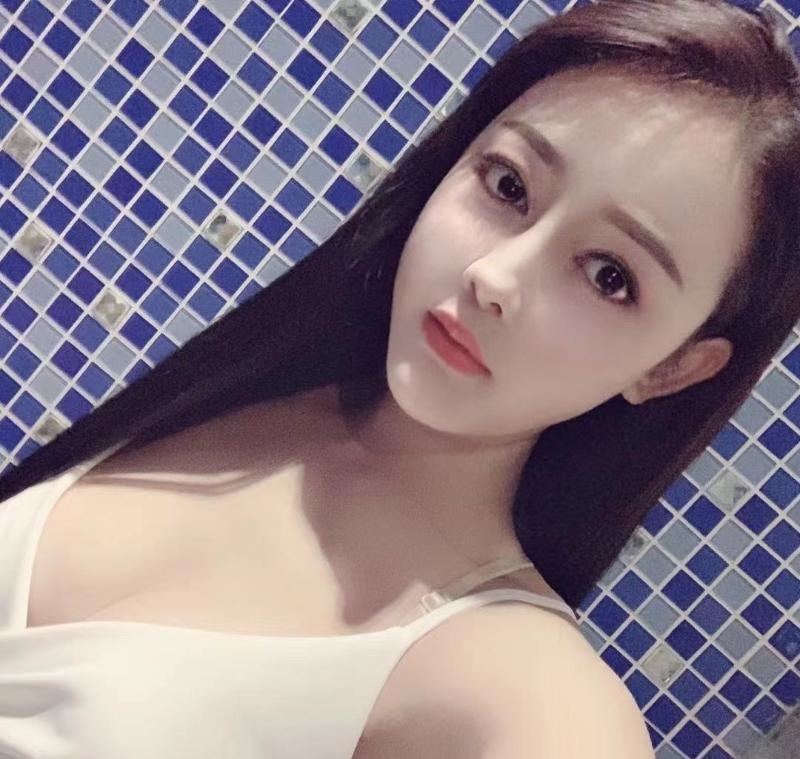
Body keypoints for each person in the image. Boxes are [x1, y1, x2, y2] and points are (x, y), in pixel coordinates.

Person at [1, 0, 799, 757]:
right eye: (509, 185)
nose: (496, 275)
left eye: (608, 275)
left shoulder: (526, 692)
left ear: (673, 367)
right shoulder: (248, 392)